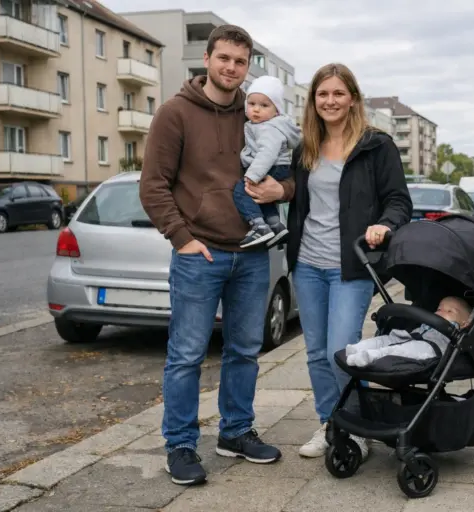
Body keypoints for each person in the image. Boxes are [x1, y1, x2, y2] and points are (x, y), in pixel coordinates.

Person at [138, 24, 294, 487]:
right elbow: (153, 186)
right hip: (199, 254)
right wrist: (182, 238)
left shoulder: (257, 115)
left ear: (248, 67)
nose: (231, 68)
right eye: (223, 58)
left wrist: (281, 188)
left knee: (245, 350)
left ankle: (236, 432)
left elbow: (291, 174)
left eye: (240, 61)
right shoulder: (175, 113)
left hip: (251, 252)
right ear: (206, 59)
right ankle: (181, 444)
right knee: (186, 355)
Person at [247, 62, 413, 460]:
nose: (330, 100)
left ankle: (357, 427)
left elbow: (399, 200)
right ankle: (332, 423)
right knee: (317, 353)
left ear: (352, 98)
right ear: (313, 101)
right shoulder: (306, 146)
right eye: (323, 94)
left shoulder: (376, 145)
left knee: (342, 348)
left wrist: (384, 225)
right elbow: (296, 191)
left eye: (338, 93)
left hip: (352, 266)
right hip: (307, 264)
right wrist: (277, 191)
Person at [233, 75, 301, 249]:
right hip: (277, 167)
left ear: (276, 110)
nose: (256, 109)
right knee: (263, 198)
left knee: (242, 190)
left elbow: (267, 153)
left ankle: (258, 226)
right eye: (252, 104)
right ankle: (275, 225)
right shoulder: (261, 125)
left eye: (264, 105)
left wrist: (252, 175)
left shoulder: (269, 127)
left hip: (273, 166)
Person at [345, 296, 472, 367]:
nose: (441, 312)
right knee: (387, 339)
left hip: (430, 348)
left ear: (464, 323)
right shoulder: (429, 321)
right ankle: (357, 348)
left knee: (400, 350)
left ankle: (371, 356)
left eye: (450, 311)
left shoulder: (456, 330)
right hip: (412, 337)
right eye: (439, 309)